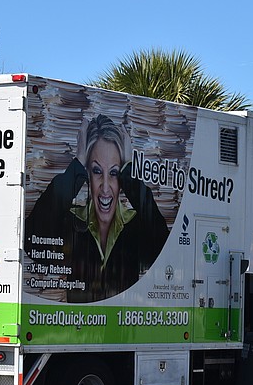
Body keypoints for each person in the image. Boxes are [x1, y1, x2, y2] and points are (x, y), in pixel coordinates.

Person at [25, 114, 168, 302]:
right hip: (77, 326)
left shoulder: (136, 226)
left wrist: (129, 173)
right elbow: (31, 241)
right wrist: (78, 163)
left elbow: (162, 250)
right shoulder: (73, 222)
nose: (106, 187)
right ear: (87, 175)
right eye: (97, 171)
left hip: (124, 328)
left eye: (115, 173)